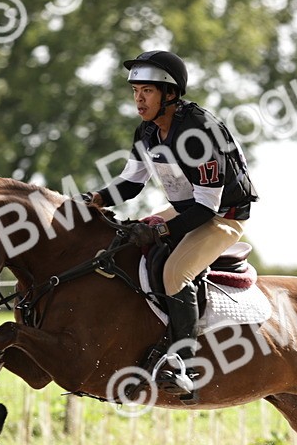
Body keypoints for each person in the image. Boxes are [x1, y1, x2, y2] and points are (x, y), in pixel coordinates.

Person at [84, 50, 257, 396]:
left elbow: (207, 206)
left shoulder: (198, 132)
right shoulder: (147, 132)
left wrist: (160, 229)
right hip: (185, 208)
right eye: (135, 92)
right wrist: (95, 198)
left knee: (175, 272)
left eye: (146, 91)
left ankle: (184, 364)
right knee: (122, 241)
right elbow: (132, 183)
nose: (138, 99)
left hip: (223, 215)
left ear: (170, 94)